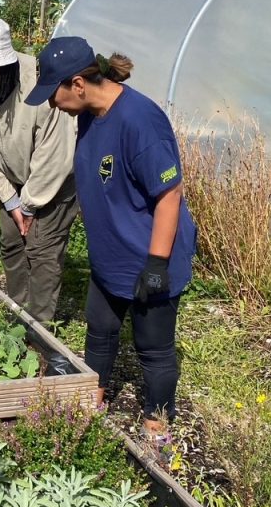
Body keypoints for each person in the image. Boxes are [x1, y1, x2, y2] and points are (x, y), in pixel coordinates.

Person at [24, 36, 197, 454]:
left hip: (148, 256)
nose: (51, 104)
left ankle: (159, 424)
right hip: (110, 254)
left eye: (55, 94)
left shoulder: (140, 121)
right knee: (100, 331)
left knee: (152, 348)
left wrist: (156, 263)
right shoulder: (88, 113)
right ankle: (94, 400)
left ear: (79, 83)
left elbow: (169, 195)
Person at [0, 18, 79, 324]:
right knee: (12, 244)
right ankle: (17, 315)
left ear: (5, 64)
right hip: (13, 181)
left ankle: (39, 329)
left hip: (54, 183)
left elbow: (56, 156)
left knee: (41, 251)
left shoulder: (41, 87)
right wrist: (11, 201)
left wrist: (28, 205)